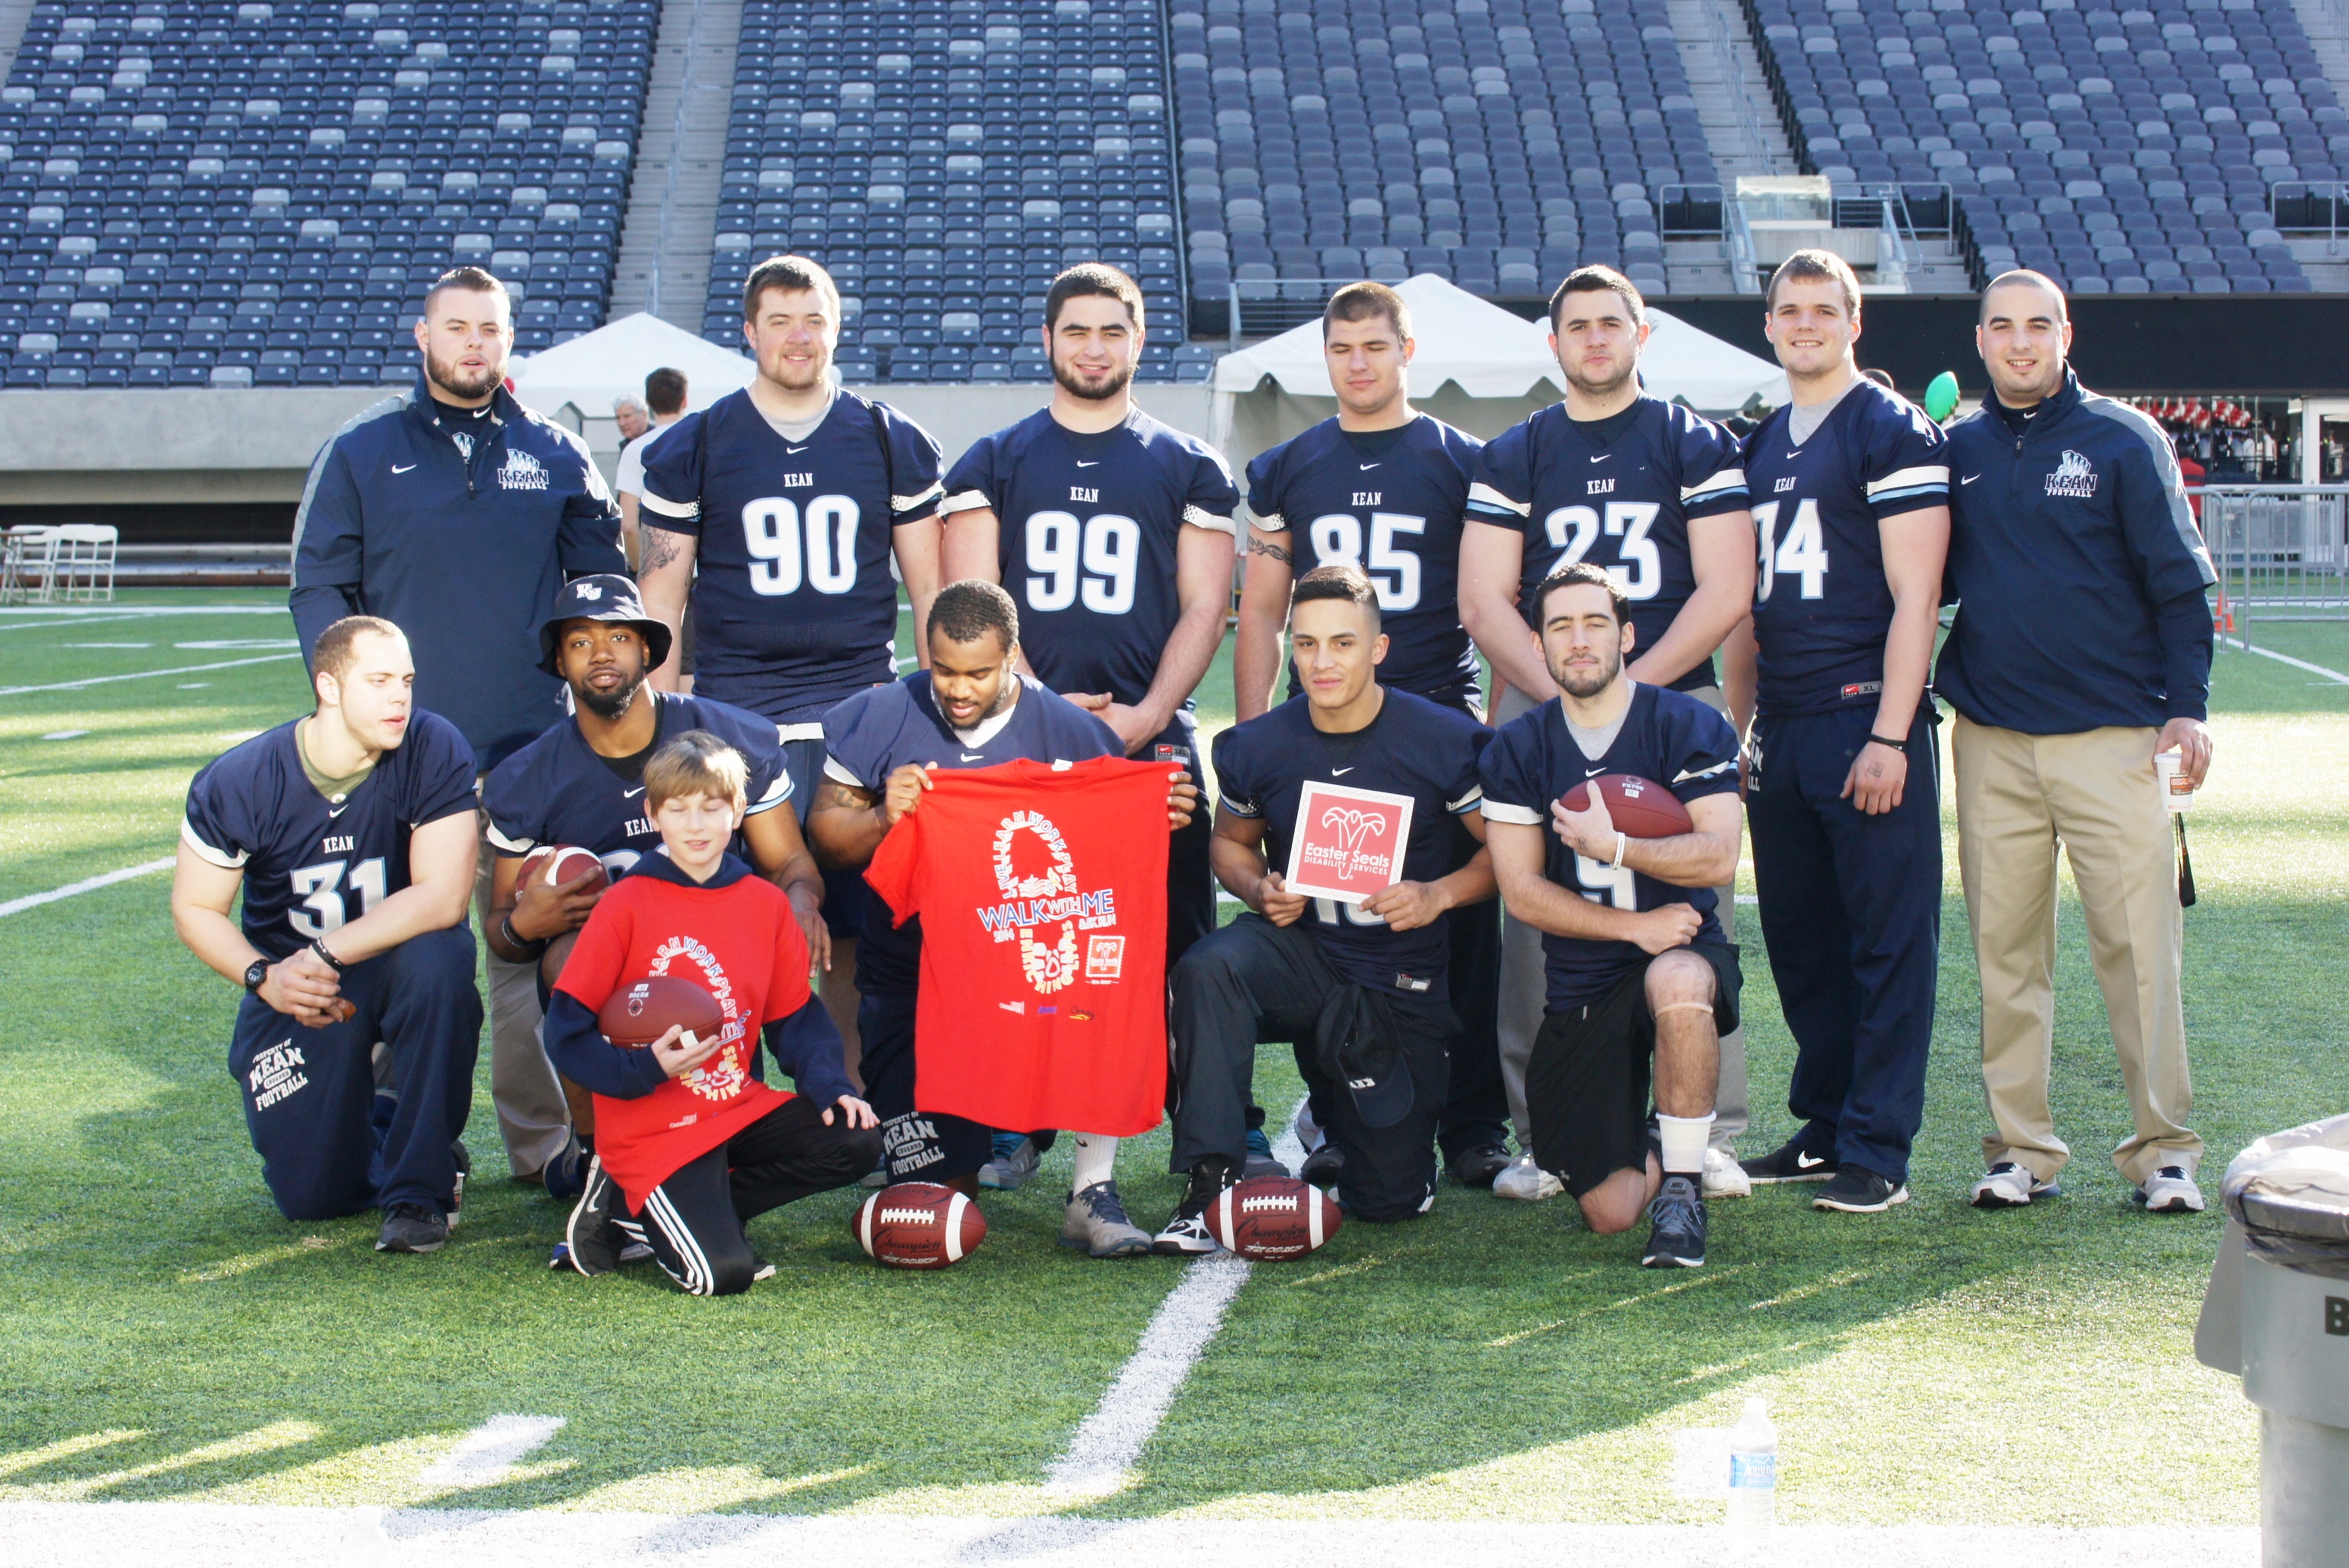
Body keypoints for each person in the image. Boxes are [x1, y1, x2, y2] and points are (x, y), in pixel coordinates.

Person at [288, 265, 627, 1189]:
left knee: (528, 945)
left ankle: (545, 1148)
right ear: (422, 336)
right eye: (457, 327)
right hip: (404, 756)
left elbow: (605, 599)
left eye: (491, 328)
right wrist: (349, 699)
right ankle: (395, 1133)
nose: (474, 343)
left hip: (532, 749)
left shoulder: (557, 453)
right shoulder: (361, 452)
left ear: (508, 340)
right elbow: (319, 584)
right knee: (402, 952)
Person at [1458, 265, 1756, 1206]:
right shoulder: (1516, 450)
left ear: (1641, 333)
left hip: (1664, 686)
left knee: (1701, 896)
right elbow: (1483, 596)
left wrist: (1633, 687)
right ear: (1553, 344)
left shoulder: (1689, 441)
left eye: (1609, 324)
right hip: (1555, 689)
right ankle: (1539, 1129)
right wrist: (1567, 696)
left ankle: (1707, 1132)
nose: (1593, 339)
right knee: (1531, 905)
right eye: (1575, 327)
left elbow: (1724, 587)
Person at [807, 580, 1199, 1258]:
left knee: (1089, 998)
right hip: (913, 971)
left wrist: (1151, 816)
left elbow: (1107, 847)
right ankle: (967, 1144)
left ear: (1013, 655)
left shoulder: (1072, 731)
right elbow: (826, 837)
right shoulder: (878, 715)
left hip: (1025, 959)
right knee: (938, 1200)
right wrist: (879, 816)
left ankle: (1092, 1189)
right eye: (945, 670)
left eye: (979, 673)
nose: (959, 690)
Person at [1939, 270, 2217, 1214]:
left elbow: (2180, 589)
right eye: (2001, 327)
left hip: (2111, 738)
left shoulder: (2120, 438)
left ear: (2065, 333)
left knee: (2138, 951)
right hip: (1991, 742)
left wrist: (2188, 706)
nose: (2019, 343)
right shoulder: (1956, 448)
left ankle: (2163, 1151)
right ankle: (2020, 1150)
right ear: (1979, 341)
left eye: (2036, 326)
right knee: (2005, 955)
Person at [636, 254, 947, 1075]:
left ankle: (847, 1100)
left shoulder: (887, 437)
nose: (797, 337)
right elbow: (660, 603)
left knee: (859, 923)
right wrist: (659, 734)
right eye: (778, 320)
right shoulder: (696, 444)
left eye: (812, 319)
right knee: (727, 920)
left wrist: (936, 723)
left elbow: (932, 597)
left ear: (836, 327)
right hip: (736, 720)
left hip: (858, 716)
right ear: (748, 332)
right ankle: (725, 1098)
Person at [1231, 282, 1509, 1193]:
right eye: (1342, 347)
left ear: (1405, 349)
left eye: (1373, 346)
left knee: (1456, 918)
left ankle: (1472, 1122)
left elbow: (1492, 600)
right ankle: (1338, 1105)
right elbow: (1263, 614)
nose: (1358, 362)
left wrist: (1497, 728)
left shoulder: (1463, 458)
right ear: (1326, 355)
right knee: (1325, 919)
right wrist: (1252, 735)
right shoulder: (1288, 465)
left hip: (1431, 712)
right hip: (1321, 719)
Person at [1159, 566, 1496, 1251]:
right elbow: (1229, 843)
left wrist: (1438, 894)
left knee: (1388, 1200)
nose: (1322, 661)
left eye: (1342, 643)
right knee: (1210, 967)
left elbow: (1507, 859)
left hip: (1399, 978)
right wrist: (1260, 890)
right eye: (1306, 644)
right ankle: (1211, 1177)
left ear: (1377, 649)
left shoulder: (1443, 741)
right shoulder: (1262, 744)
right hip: (1307, 955)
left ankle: (1356, 1129)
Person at [1722, 248, 1951, 1215]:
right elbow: (1738, 604)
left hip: (1864, 713)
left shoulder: (1890, 428)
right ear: (1768, 325)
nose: (1804, 322)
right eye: (1788, 309)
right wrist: (1740, 733)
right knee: (1802, 939)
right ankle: (1824, 1122)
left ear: (1853, 323)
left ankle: (1876, 1146)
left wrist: (1891, 734)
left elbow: (1915, 596)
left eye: (1823, 308)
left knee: (1885, 942)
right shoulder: (1760, 437)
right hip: (1784, 724)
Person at [479, 574, 827, 1196]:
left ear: (649, 650)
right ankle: (597, 1156)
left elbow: (789, 864)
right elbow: (505, 934)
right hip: (614, 968)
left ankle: (728, 1121)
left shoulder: (729, 740)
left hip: (717, 947)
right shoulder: (527, 776)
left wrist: (801, 902)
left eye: (618, 636)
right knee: (564, 957)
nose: (603, 653)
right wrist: (522, 925)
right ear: (559, 661)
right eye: (581, 642)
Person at [938, 263, 1240, 979]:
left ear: (1139, 342)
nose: (1094, 347)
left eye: (1112, 331)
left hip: (1151, 733)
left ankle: (1175, 1095)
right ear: (1048, 339)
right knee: (1031, 946)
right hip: (1021, 731)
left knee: (1173, 951)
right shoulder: (993, 459)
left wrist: (1151, 713)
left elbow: (1206, 605)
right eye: (1077, 331)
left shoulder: (1190, 464)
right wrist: (1039, 706)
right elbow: (972, 607)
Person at [170, 617, 482, 1255]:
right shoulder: (242, 779)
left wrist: (321, 952)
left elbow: (443, 896)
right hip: (299, 989)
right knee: (313, 1198)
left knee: (440, 959)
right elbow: (197, 908)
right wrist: (268, 978)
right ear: (329, 687)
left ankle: (418, 1191)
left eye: (407, 681)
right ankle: (393, 1118)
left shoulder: (432, 745)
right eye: (379, 681)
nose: (401, 697)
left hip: (386, 962)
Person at [543, 732, 881, 1296]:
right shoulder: (626, 903)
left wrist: (830, 1087)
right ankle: (630, 1191)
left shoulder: (765, 904)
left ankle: (649, 1213)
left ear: (739, 810)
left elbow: (795, 1019)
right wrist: (643, 1072)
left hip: (733, 1110)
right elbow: (565, 1031)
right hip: (654, 1126)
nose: (695, 826)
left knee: (856, 1139)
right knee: (721, 1276)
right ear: (654, 814)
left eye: (711, 808)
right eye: (678, 810)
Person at [1479, 563, 1744, 1269]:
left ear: (1626, 635)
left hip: (1680, 951)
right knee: (1609, 1212)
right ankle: (1667, 1136)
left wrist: (1619, 846)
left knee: (1681, 980)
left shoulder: (1688, 723)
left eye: (1595, 622)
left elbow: (1719, 857)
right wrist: (1634, 928)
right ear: (1538, 646)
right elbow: (1522, 892)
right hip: (1586, 981)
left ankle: (1684, 1186)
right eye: (1560, 626)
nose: (1579, 639)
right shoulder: (1517, 748)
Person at [613, 368, 688, 570]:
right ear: (685, 400)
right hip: (706, 569)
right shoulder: (708, 444)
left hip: (658, 570)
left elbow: (628, 526)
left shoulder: (635, 450)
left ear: (648, 402)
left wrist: (640, 570)